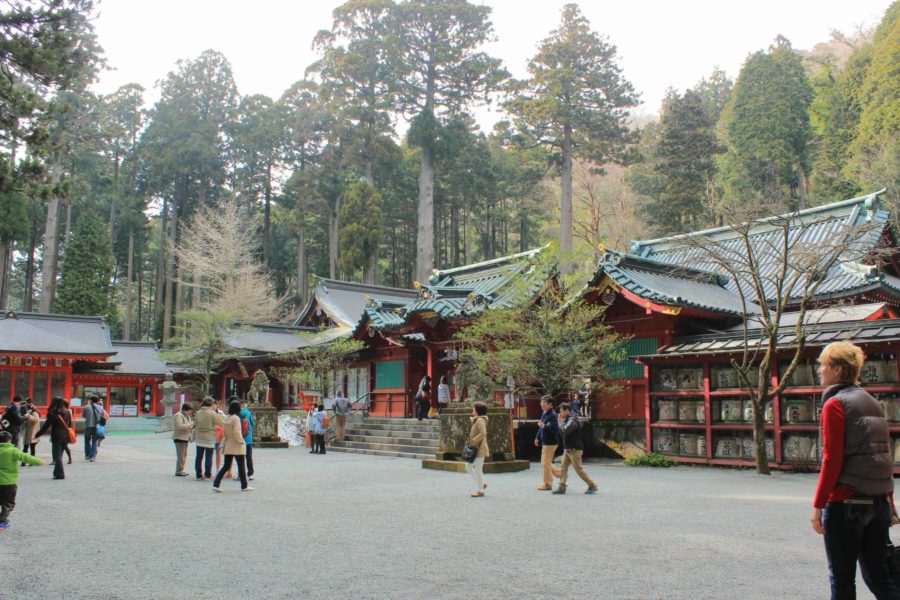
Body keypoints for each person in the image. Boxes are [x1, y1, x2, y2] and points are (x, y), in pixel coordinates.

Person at [810, 341, 900, 600]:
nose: (820, 371)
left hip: (846, 503)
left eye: (824, 365)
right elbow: (882, 455)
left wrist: (818, 504)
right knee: (880, 577)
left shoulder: (835, 404)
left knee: (842, 579)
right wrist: (889, 502)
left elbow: (832, 459)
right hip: (878, 502)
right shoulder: (872, 402)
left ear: (838, 369)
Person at [0, 430, 44, 530]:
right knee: (8, 503)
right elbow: (25, 457)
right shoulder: (12, 450)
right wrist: (38, 461)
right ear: (9, 441)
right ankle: (2, 522)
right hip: (9, 482)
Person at [552, 402, 598, 495]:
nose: (560, 413)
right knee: (563, 468)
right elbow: (562, 432)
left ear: (566, 410)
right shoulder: (568, 418)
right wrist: (561, 422)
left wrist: (559, 421)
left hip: (574, 449)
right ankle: (562, 487)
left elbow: (565, 430)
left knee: (579, 469)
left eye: (561, 411)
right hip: (568, 448)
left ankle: (592, 485)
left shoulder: (572, 419)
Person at [212, 400, 252, 492]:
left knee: (226, 465)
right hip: (236, 444)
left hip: (228, 442)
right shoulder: (236, 418)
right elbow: (237, 432)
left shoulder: (227, 418)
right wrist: (241, 441)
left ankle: (216, 483)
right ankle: (244, 485)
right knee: (241, 466)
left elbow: (224, 432)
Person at [33, 396, 72, 480]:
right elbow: (70, 425)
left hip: (57, 435)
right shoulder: (67, 412)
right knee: (60, 455)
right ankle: (56, 472)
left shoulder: (54, 413)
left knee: (57, 456)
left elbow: (46, 426)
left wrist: (37, 435)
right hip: (65, 435)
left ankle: (60, 474)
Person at [535, 395, 561, 491]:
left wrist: (544, 426)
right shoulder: (545, 413)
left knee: (545, 463)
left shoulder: (552, 415)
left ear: (550, 404)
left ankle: (548, 484)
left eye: (544, 403)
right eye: (541, 402)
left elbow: (553, 429)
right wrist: (537, 437)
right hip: (546, 441)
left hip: (550, 442)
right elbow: (542, 426)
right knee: (546, 463)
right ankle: (560, 473)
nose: (542, 404)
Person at [194, 398, 224, 480]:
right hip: (210, 436)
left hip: (199, 435)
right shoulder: (212, 413)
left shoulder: (198, 413)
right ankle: (208, 474)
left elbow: (195, 424)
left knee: (199, 457)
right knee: (209, 456)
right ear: (211, 404)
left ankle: (198, 475)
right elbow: (220, 423)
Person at [466, 401, 489, 497]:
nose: (473, 409)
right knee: (469, 466)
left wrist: (474, 440)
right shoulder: (477, 419)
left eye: (474, 408)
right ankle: (482, 484)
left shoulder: (480, 420)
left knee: (476, 468)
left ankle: (480, 490)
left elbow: (483, 433)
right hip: (476, 448)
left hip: (480, 448)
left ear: (477, 410)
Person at [82, 395, 107, 462]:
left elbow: (83, 416)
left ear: (90, 400)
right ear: (98, 400)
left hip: (88, 425)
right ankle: (93, 456)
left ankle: (87, 455)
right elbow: (102, 416)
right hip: (97, 426)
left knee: (87, 440)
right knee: (94, 441)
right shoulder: (101, 408)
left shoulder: (86, 407)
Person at [172, 403, 194, 477]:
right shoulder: (179, 415)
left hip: (185, 438)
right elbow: (179, 426)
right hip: (179, 438)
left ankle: (181, 470)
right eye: (189, 411)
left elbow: (188, 425)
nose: (189, 413)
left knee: (184, 455)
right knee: (181, 456)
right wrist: (190, 425)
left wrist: (191, 426)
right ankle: (179, 471)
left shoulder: (187, 416)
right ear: (184, 410)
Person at [240, 401, 257, 480]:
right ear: (244, 405)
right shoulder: (248, 413)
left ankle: (240, 473)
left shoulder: (237, 414)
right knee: (249, 456)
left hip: (239, 438)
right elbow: (253, 423)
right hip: (248, 437)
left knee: (240, 457)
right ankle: (250, 473)